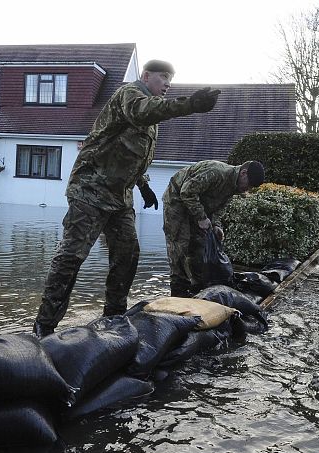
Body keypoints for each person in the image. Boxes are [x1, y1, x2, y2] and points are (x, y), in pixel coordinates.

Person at [33, 60, 221, 336]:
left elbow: (130, 155)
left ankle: (113, 315)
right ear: (146, 75)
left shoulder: (151, 117)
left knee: (127, 254)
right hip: (91, 190)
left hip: (120, 197)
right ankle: (45, 325)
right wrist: (190, 104)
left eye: (170, 79)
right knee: (72, 256)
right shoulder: (130, 94)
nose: (168, 84)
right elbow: (142, 112)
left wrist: (143, 185)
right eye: (163, 77)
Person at [162, 160, 265, 297]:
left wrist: (216, 225)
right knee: (180, 245)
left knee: (200, 245)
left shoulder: (234, 187)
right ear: (243, 173)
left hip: (199, 205)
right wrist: (201, 217)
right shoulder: (216, 172)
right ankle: (178, 290)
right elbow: (186, 192)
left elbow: (218, 208)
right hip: (177, 200)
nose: (248, 189)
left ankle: (196, 287)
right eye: (249, 185)